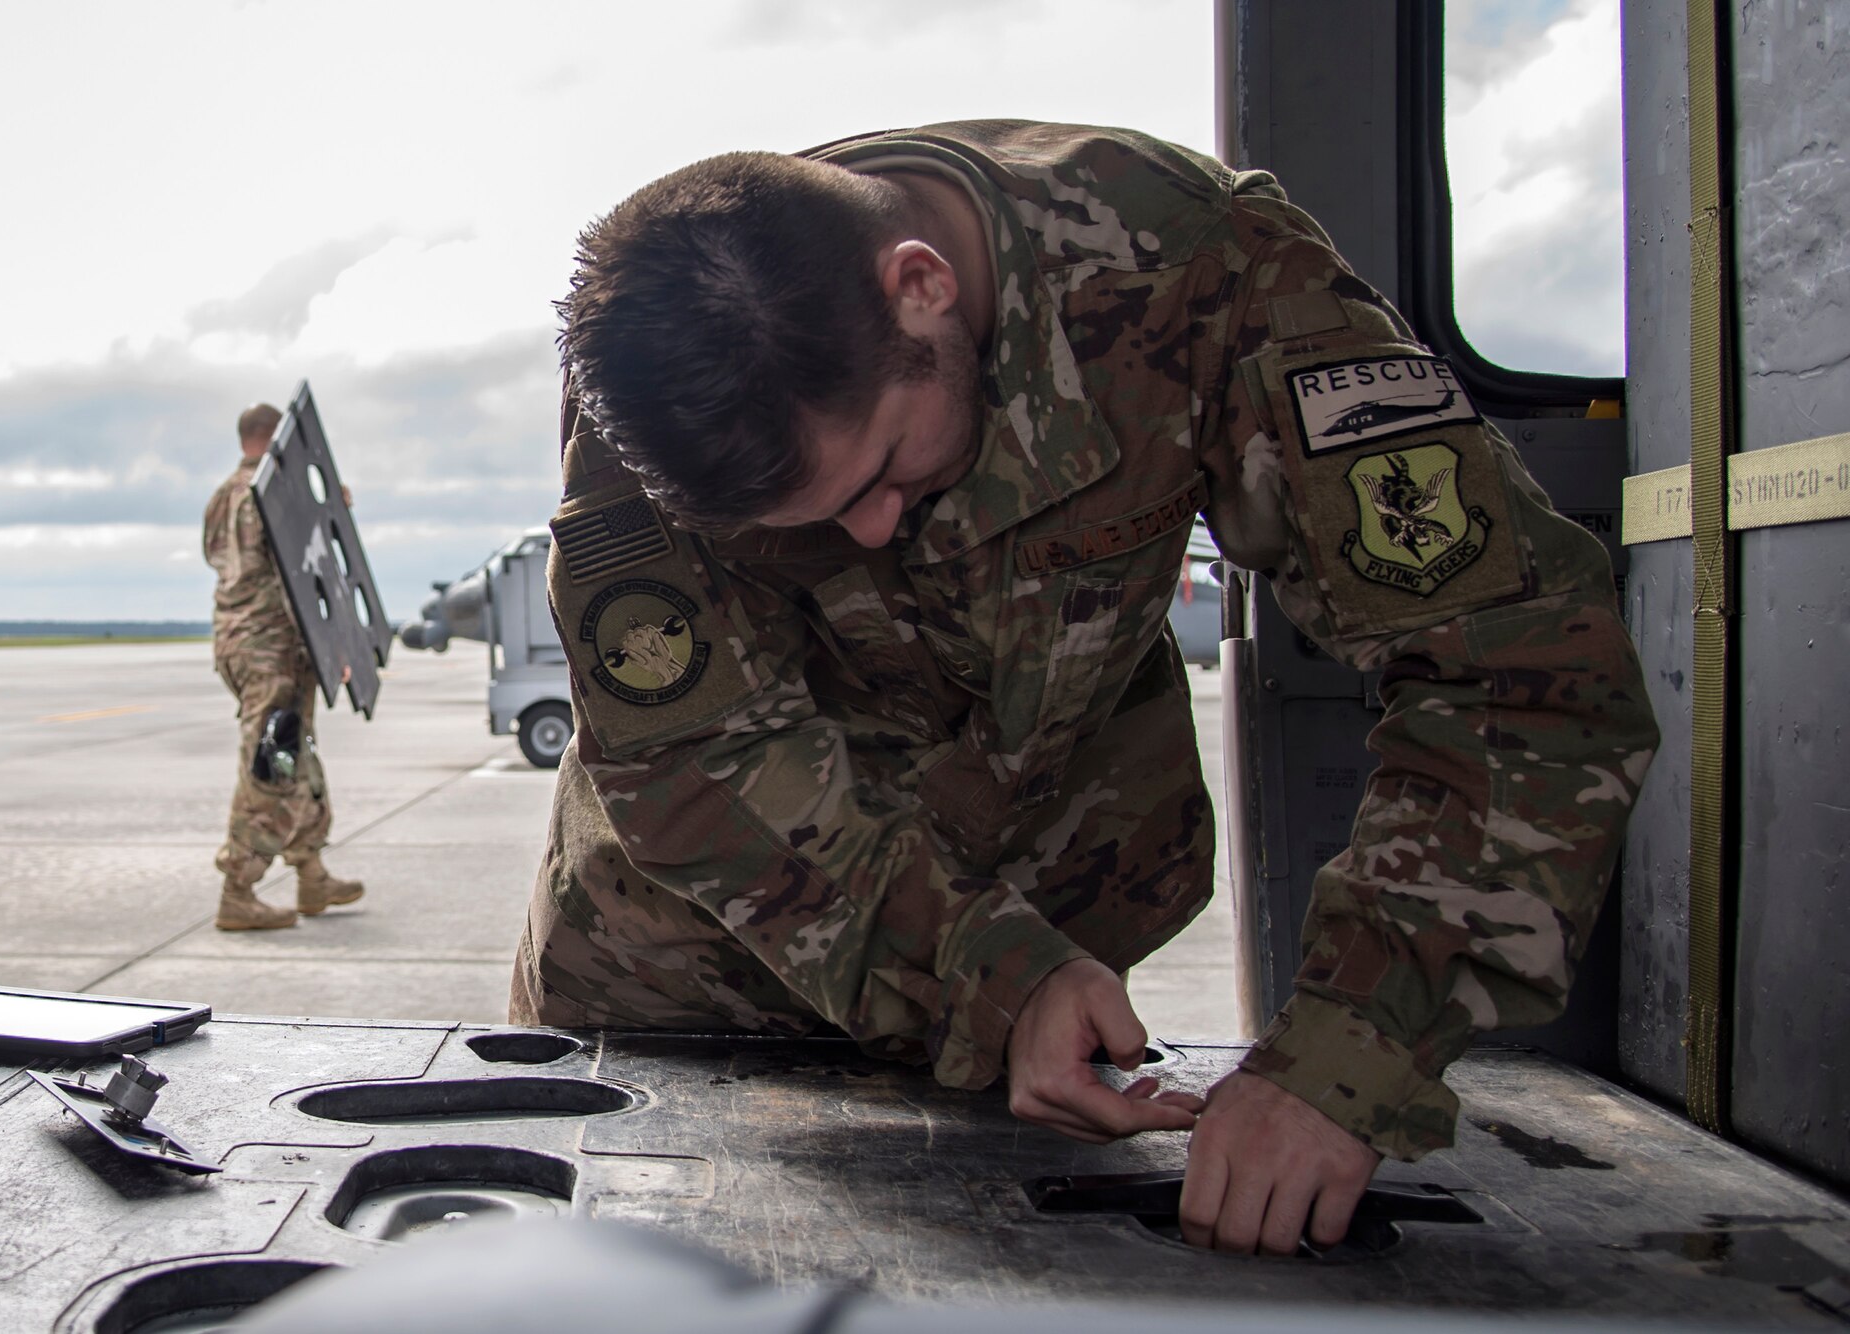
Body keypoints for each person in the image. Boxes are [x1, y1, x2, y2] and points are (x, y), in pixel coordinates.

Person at [511, 122, 1659, 1255]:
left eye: (881, 471)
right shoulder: (656, 385)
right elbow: (694, 755)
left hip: (1041, 968)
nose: (863, 529)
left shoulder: (1198, 270)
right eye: (809, 521)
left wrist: (1342, 1059)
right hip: (677, 978)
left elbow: (1514, 676)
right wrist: (998, 977)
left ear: (922, 286)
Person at [202, 402, 365, 930]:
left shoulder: (222, 496)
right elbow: (309, 565)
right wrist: (327, 513)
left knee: (297, 754)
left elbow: (222, 561)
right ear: (278, 441)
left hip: (240, 642)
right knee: (271, 762)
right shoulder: (272, 494)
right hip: (273, 646)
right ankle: (238, 889)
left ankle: (311, 872)